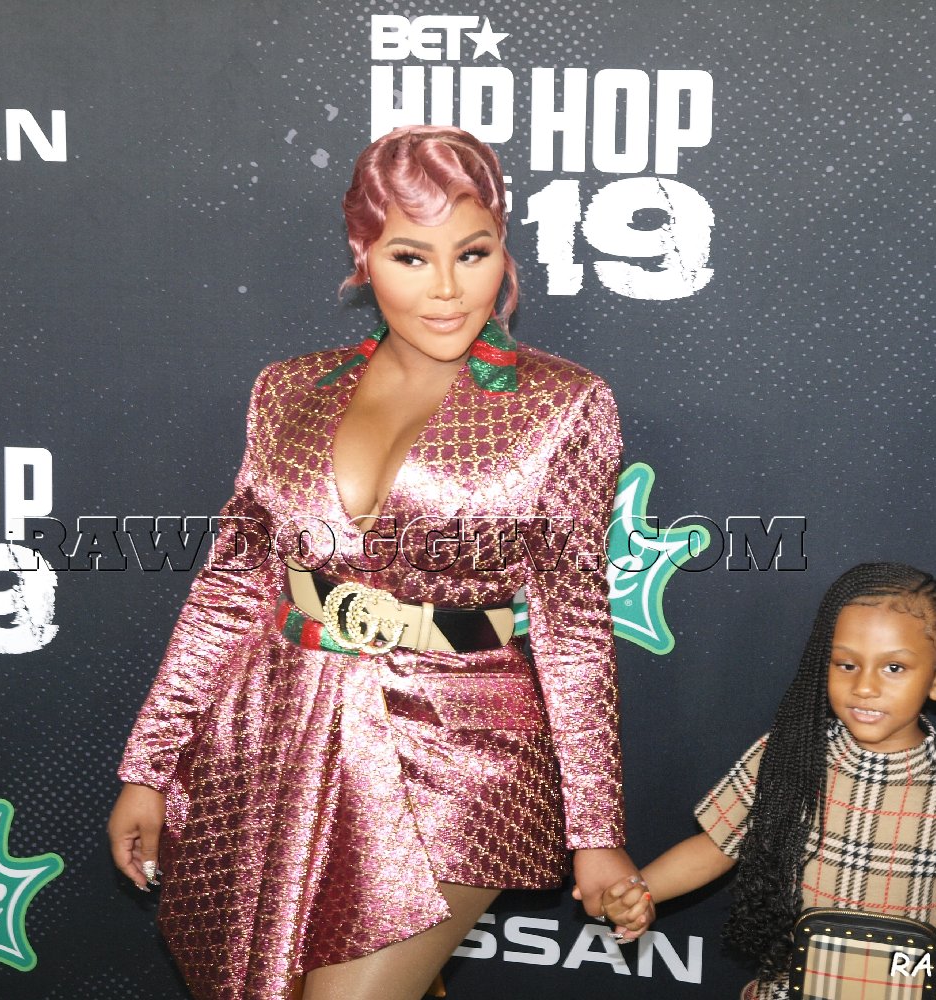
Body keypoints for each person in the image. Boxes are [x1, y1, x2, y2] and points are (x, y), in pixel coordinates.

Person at [106, 125, 652, 1000]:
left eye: (472, 252)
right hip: (276, 731)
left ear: (503, 250)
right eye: (410, 256)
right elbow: (232, 587)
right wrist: (151, 764)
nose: (447, 289)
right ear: (364, 257)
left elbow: (573, 624)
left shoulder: (562, 403)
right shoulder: (288, 388)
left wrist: (595, 830)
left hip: (463, 746)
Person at [600, 563, 936, 999]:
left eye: (893, 668)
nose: (864, 686)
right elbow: (715, 848)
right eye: (846, 664)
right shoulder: (790, 753)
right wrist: (640, 893)